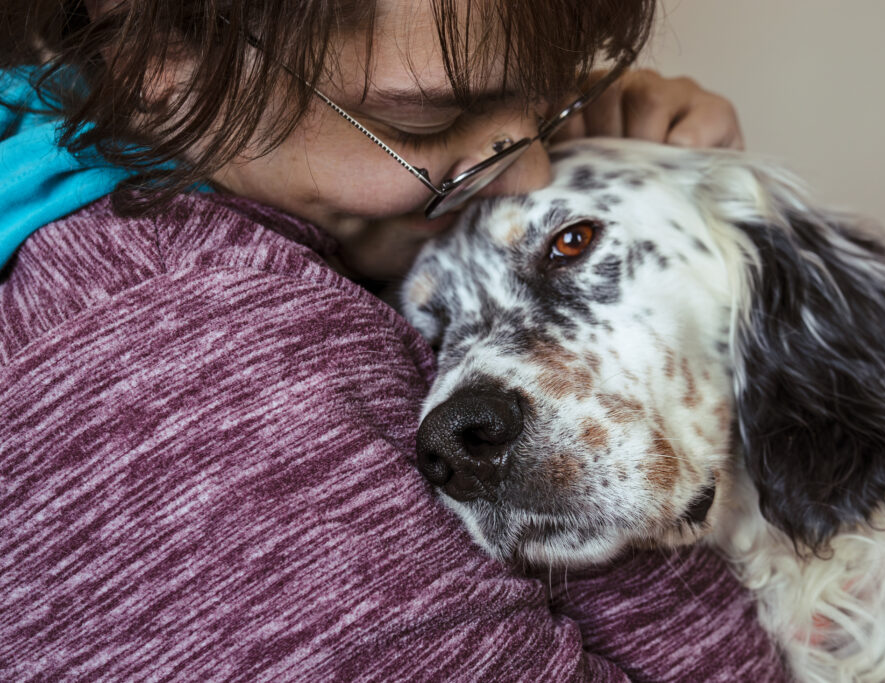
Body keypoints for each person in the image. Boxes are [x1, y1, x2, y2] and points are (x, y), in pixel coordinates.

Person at [0, 1, 784, 680]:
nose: (529, 172)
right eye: (430, 117)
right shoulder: (180, 354)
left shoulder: (123, 191)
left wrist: (667, 187)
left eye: (550, 98)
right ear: (158, 52)